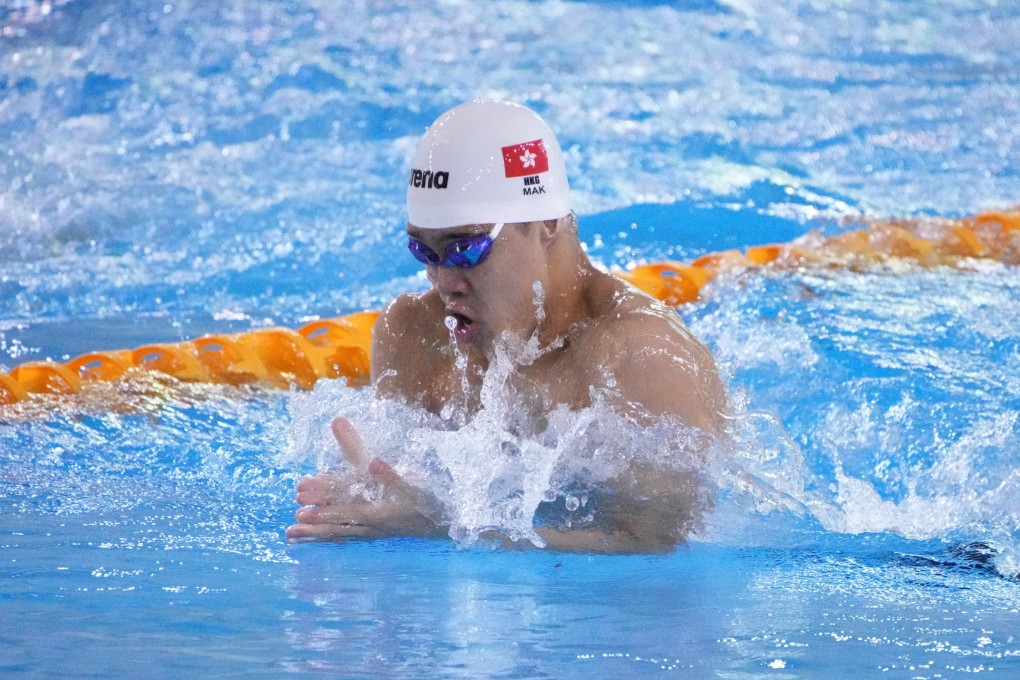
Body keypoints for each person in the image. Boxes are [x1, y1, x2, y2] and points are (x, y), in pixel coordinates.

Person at [286, 100, 727, 553]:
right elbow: (401, 494)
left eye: (466, 249)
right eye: (423, 251)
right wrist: (370, 499)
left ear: (547, 221)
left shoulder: (642, 360)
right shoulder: (413, 334)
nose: (443, 282)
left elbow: (655, 544)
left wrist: (441, 525)